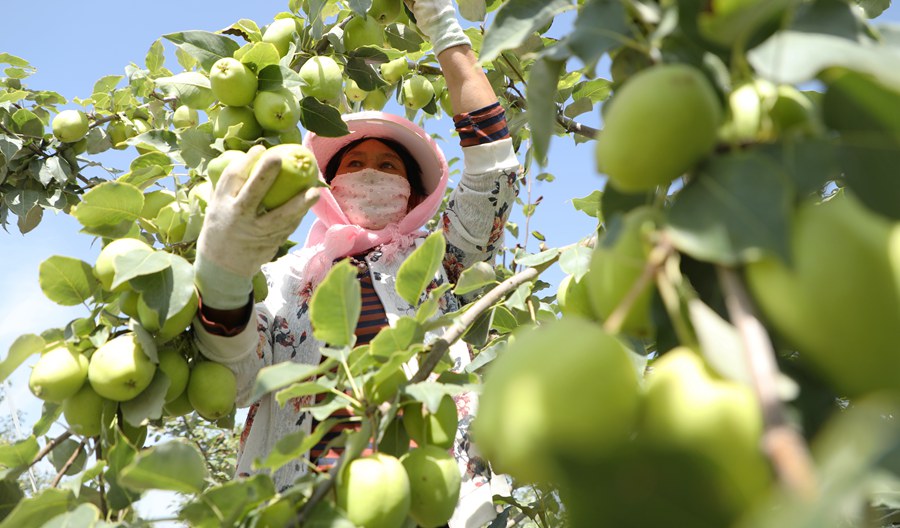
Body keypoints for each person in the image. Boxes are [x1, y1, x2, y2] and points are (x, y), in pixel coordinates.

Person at [191, 0, 520, 525]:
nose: (371, 173)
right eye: (355, 163)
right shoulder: (285, 277)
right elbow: (237, 378)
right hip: (308, 502)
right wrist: (223, 275)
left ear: (413, 194)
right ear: (328, 187)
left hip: (445, 500)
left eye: (389, 166)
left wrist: (443, 27)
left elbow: (493, 166)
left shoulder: (439, 257)